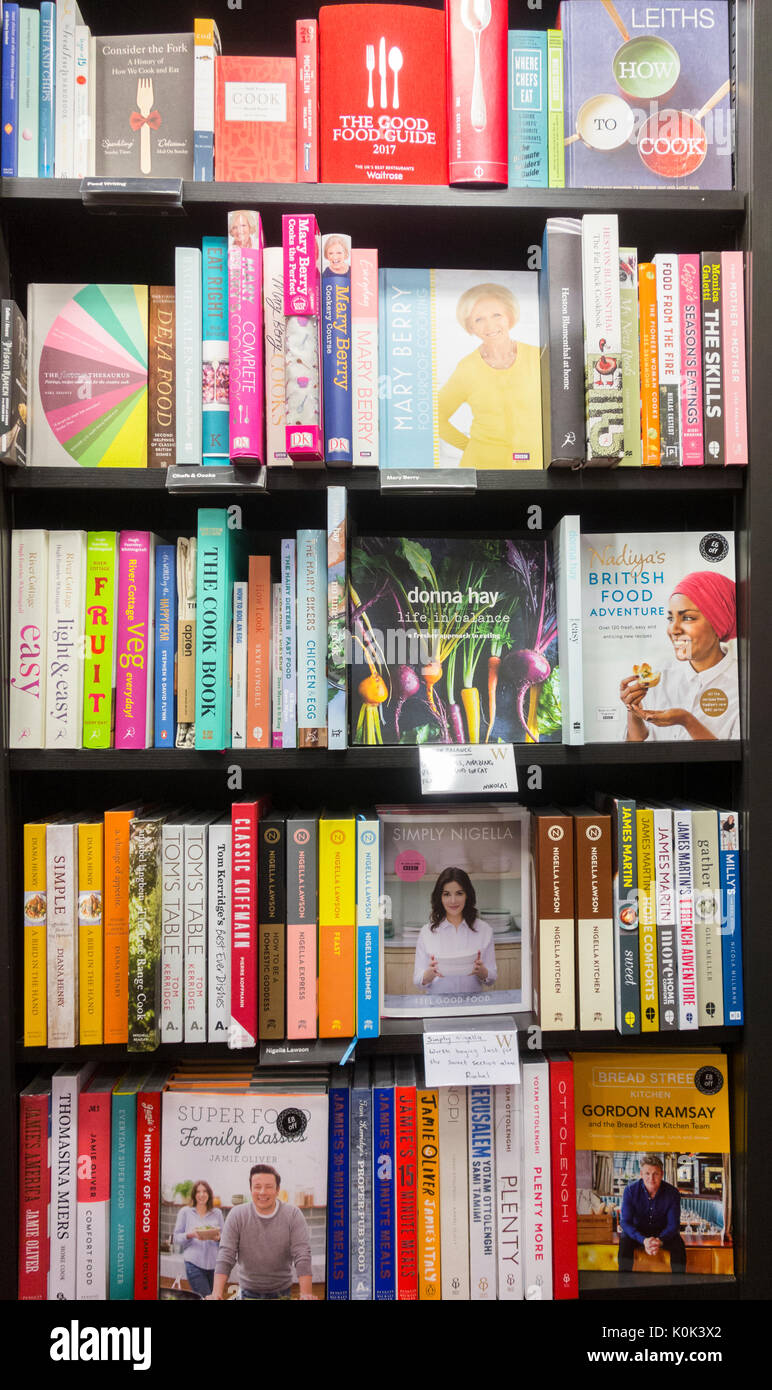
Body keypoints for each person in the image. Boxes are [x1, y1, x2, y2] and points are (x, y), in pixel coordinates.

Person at [620, 571, 738, 741]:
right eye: (670, 618)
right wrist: (635, 713)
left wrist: (686, 720)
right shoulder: (660, 677)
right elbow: (633, 754)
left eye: (688, 618)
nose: (673, 630)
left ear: (718, 623)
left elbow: (739, 762)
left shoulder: (744, 686)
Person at [436, 283, 542, 470]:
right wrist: (470, 447)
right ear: (470, 327)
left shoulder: (538, 357)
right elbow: (435, 417)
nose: (490, 325)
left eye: (497, 315)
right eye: (479, 319)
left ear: (510, 315)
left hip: (534, 469)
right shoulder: (467, 368)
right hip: (481, 469)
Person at [207, 1164, 316, 1301]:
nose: (262, 1192)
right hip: (246, 1292)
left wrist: (306, 1294)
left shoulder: (293, 1214)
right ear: (251, 1189)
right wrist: (216, 1293)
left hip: (282, 1293)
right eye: (257, 1187)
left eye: (269, 1187)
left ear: (277, 1190)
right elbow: (226, 1254)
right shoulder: (237, 1215)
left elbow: (302, 1254)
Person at [413, 866, 497, 996]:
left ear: (467, 895)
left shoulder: (484, 930)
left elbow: (491, 979)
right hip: (437, 1005)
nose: (453, 900)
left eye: (459, 893)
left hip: (472, 1004)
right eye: (446, 894)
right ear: (440, 898)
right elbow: (417, 980)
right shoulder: (427, 932)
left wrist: (483, 972)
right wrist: (428, 976)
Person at [618, 1156, 687, 1273]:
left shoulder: (672, 1193)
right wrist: (643, 1240)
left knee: (679, 1244)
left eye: (656, 1174)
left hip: (663, 1233)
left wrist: (659, 1240)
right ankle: (624, 1284)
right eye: (647, 1173)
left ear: (662, 1174)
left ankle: (679, 1284)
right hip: (637, 1233)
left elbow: (673, 1225)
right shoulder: (630, 1190)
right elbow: (625, 1222)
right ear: (641, 1174)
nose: (651, 1178)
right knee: (624, 1242)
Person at [172, 1179, 224, 1297]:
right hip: (194, 1264)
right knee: (205, 1297)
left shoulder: (217, 1213)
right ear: (194, 1195)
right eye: (198, 1192)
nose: (201, 1194)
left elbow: (224, 1239)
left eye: (205, 1191)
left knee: (214, 1297)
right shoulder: (185, 1212)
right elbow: (176, 1238)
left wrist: (217, 1238)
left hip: (214, 1267)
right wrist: (191, 1234)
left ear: (209, 1194)